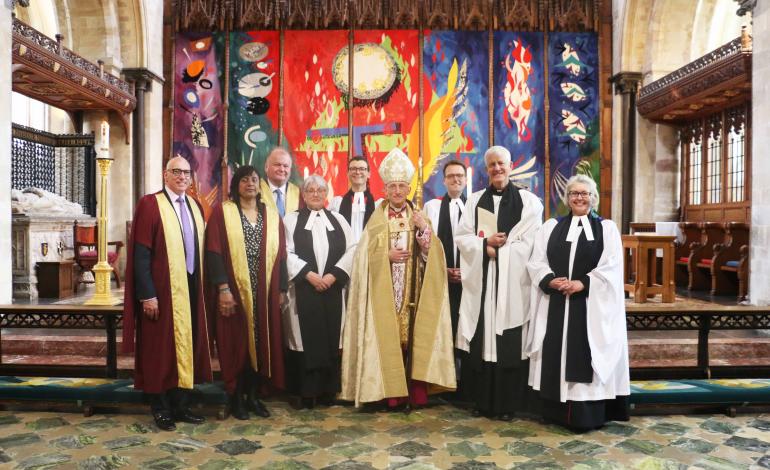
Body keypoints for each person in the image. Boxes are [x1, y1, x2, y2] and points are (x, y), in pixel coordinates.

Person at [340, 147, 456, 409]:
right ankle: (389, 394)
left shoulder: (419, 216)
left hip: (412, 293)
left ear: (408, 188)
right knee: (386, 341)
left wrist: (424, 232)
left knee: (413, 341)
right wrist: (386, 256)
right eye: (392, 187)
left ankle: (414, 394)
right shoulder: (376, 219)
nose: (397, 192)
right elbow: (361, 257)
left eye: (402, 186)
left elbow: (433, 254)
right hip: (384, 293)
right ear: (385, 189)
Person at [526, 174, 630, 432]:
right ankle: (554, 412)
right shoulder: (550, 227)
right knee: (555, 351)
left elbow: (612, 266)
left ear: (593, 198)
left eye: (584, 193)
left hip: (589, 306)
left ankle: (586, 414)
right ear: (567, 198)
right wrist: (550, 280)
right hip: (556, 304)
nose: (579, 197)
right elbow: (536, 261)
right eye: (574, 193)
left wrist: (583, 283)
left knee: (586, 351)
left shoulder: (606, 228)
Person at [123, 155, 212, 431]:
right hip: (162, 292)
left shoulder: (196, 206)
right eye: (177, 172)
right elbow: (140, 254)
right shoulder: (151, 204)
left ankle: (181, 404)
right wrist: (147, 294)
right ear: (165, 174)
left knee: (185, 348)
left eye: (186, 172)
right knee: (159, 350)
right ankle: (160, 407)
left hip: (190, 291)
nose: (182, 177)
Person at [455, 146, 543, 421]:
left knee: (509, 342)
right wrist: (485, 245)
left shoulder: (529, 202)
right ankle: (482, 401)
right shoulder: (475, 201)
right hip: (483, 281)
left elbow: (530, 243)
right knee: (483, 339)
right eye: (491, 164)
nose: (496, 169)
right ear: (486, 169)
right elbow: (463, 237)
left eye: (501, 164)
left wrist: (499, 252)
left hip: (512, 283)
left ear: (510, 165)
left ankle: (508, 404)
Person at [205, 165, 288, 420]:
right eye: (244, 180)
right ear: (236, 185)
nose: (250, 184)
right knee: (236, 343)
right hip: (235, 290)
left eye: (254, 179)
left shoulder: (270, 215)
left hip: (263, 292)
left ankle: (253, 396)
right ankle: (236, 397)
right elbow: (214, 252)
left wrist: (282, 288)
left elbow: (281, 256)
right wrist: (223, 288)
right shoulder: (224, 212)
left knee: (261, 343)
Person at [284, 175, 356, 408]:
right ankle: (306, 393)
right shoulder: (291, 220)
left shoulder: (339, 220)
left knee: (331, 338)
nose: (315, 194)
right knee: (303, 340)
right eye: (310, 190)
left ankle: (327, 392)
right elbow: (284, 252)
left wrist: (333, 275)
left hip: (333, 288)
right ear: (303, 195)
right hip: (303, 289)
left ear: (327, 194)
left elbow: (353, 250)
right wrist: (309, 274)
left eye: (320, 190)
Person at [424, 160, 467, 339]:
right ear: (444, 181)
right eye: (450, 176)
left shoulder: (475, 206)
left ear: (465, 179)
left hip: (469, 280)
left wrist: (465, 271)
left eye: (459, 175)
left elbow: (481, 243)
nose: (455, 179)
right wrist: (443, 269)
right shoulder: (432, 207)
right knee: (443, 332)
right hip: (440, 277)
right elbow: (425, 246)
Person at [330, 156, 381, 243]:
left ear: (369, 173)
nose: (357, 172)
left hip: (369, 253)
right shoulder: (337, 203)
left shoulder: (378, 203)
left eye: (362, 169)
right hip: (345, 254)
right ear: (348, 173)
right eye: (353, 168)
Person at [260, 147, 302, 217]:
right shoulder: (256, 190)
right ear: (266, 167)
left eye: (285, 166)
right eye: (277, 165)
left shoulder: (299, 194)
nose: (282, 169)